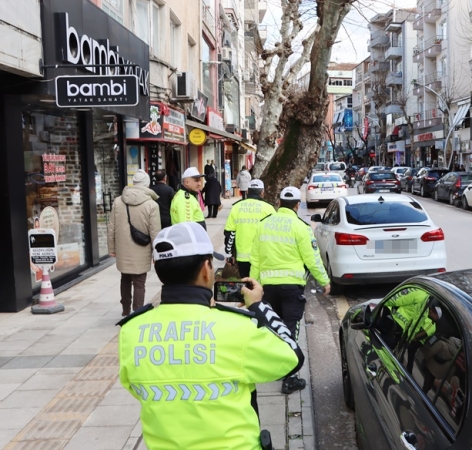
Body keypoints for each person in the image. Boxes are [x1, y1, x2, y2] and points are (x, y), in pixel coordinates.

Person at [117, 222, 304, 450]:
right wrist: (258, 306)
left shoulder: (131, 331)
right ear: (206, 268)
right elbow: (293, 357)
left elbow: (135, 387)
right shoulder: (236, 328)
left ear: (157, 267)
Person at [249, 186, 330, 394]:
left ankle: (275, 367)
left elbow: (255, 259)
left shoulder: (263, 225)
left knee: (273, 327)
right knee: (290, 327)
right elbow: (311, 259)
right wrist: (324, 281)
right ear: (297, 204)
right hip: (292, 286)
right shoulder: (301, 227)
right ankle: (290, 377)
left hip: (268, 287)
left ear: (278, 203)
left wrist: (252, 285)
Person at [108, 170, 161, 316]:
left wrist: (112, 248)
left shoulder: (118, 201)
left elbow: (111, 226)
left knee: (125, 278)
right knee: (139, 283)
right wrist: (157, 254)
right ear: (147, 184)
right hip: (142, 248)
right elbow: (155, 232)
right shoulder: (151, 205)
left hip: (123, 248)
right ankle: (137, 313)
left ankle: (125, 310)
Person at [224, 179, 276, 278]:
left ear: (247, 192)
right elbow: (275, 234)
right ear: (262, 193)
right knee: (260, 286)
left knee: (247, 285)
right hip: (263, 256)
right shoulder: (269, 208)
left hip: (243, 258)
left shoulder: (236, 207)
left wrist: (229, 254)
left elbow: (230, 233)